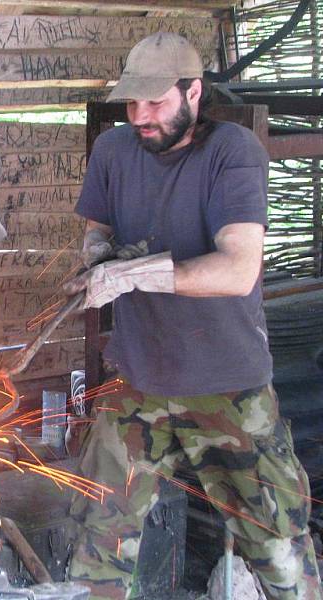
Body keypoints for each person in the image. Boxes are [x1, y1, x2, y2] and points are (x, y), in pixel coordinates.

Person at [62, 32, 321, 600]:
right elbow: (97, 233)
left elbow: (237, 270)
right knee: (95, 547)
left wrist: (136, 273)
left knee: (278, 550)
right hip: (137, 382)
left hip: (227, 387)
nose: (141, 116)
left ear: (194, 93)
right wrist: (96, 263)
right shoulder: (113, 150)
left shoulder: (233, 151)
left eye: (156, 103)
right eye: (133, 104)